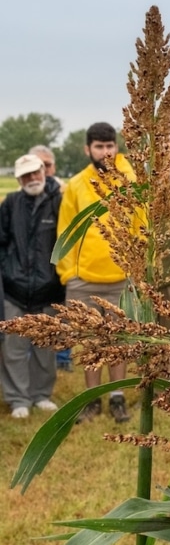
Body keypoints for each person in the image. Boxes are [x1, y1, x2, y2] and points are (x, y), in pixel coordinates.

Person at [56, 122, 133, 423]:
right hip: (84, 279)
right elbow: (65, 231)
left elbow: (141, 226)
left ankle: (117, 397)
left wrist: (134, 270)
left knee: (118, 342)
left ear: (117, 146)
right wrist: (68, 275)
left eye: (110, 145)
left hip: (120, 279)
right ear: (87, 149)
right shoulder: (75, 185)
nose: (105, 152)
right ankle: (92, 400)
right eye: (99, 146)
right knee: (90, 343)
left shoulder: (130, 179)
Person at [0, 154, 65, 418]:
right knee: (13, 348)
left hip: (48, 290)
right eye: (26, 175)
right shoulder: (10, 203)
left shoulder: (58, 201)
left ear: (44, 172)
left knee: (45, 348)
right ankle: (18, 399)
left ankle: (41, 395)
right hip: (15, 290)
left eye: (36, 173)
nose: (32, 179)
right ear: (18, 179)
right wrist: (9, 270)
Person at [29, 144, 72, 371]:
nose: (43, 171)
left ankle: (63, 358)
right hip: (32, 267)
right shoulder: (24, 197)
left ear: (53, 167)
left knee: (61, 315)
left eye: (46, 165)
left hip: (58, 264)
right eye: (38, 166)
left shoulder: (64, 195)